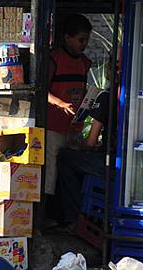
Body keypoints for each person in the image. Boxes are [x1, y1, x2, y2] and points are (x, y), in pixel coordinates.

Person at [45, 14, 92, 197]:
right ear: (67, 38)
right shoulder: (54, 59)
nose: (84, 44)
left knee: (69, 171)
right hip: (54, 127)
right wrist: (59, 103)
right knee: (51, 170)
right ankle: (47, 212)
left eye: (87, 40)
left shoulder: (84, 62)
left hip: (74, 126)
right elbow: (42, 91)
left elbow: (84, 88)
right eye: (81, 40)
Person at [56, 88, 109, 226]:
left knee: (64, 157)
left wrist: (78, 146)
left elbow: (90, 142)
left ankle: (73, 218)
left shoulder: (106, 96)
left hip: (108, 164)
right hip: (121, 163)